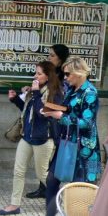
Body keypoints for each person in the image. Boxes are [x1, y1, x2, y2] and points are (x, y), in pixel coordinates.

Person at [0, 61, 63, 215]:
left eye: (39, 73)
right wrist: (16, 100)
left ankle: (60, 198)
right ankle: (14, 205)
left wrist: (37, 93)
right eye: (36, 73)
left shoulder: (56, 93)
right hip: (26, 137)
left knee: (42, 175)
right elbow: (28, 112)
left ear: (48, 76)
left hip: (43, 139)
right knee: (18, 171)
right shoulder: (35, 90)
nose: (35, 76)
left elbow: (43, 114)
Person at [42, 56, 101, 216]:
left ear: (79, 73)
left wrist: (60, 116)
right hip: (67, 142)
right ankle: (51, 214)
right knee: (52, 181)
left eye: (68, 74)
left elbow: (87, 123)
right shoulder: (71, 89)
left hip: (83, 149)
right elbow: (68, 109)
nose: (65, 78)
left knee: (78, 190)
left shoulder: (90, 93)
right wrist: (51, 110)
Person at [25, 44, 70, 199]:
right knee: (44, 162)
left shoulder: (66, 75)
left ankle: (58, 193)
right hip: (48, 118)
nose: (49, 58)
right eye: (48, 55)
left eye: (52, 56)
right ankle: (43, 189)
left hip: (57, 120)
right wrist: (33, 91)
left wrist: (45, 106)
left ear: (60, 58)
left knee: (49, 160)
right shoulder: (49, 72)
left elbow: (59, 104)